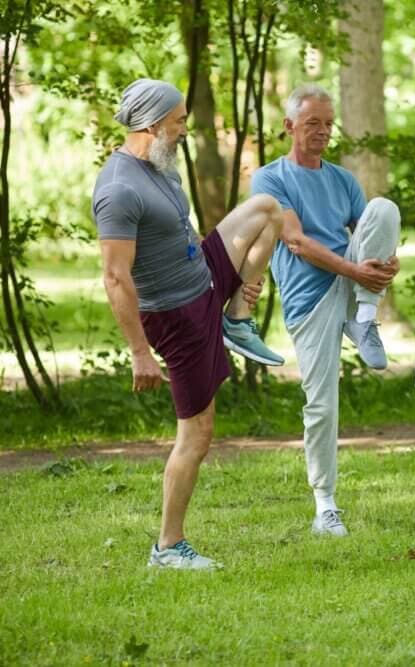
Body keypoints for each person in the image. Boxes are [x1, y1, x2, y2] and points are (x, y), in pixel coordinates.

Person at [93, 78, 285, 570]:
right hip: (176, 314)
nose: (184, 129)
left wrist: (237, 277)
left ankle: (238, 320)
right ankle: (168, 546)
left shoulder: (160, 167)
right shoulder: (119, 189)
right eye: (178, 121)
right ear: (152, 123)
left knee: (268, 211)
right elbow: (115, 277)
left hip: (202, 275)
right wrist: (140, 352)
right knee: (198, 432)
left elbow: (180, 228)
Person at [251, 84, 401, 538]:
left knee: (384, 207)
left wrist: (386, 263)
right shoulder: (270, 179)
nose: (322, 131)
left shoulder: (341, 179)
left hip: (351, 281)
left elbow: (368, 230)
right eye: (312, 123)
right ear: (289, 126)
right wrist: (357, 271)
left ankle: (365, 319)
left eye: (328, 124)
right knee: (321, 403)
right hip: (309, 295)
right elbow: (295, 242)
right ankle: (325, 505)